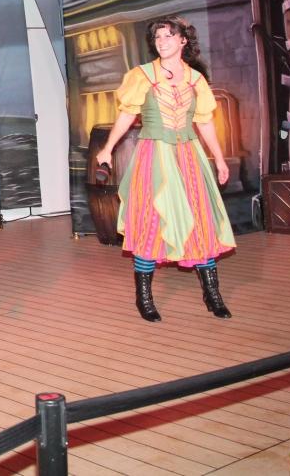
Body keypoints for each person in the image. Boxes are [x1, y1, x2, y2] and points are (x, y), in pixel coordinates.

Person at [92, 16, 235, 323]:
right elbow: (126, 115)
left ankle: (212, 294)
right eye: (158, 37)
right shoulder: (142, 75)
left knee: (200, 219)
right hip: (154, 154)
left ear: (183, 40)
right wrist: (107, 148)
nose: (162, 42)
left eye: (169, 36)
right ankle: (144, 297)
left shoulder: (196, 79)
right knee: (150, 221)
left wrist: (220, 159)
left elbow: (205, 122)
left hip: (188, 156)